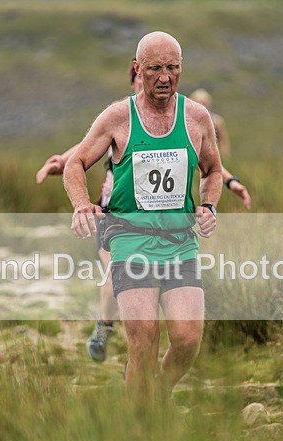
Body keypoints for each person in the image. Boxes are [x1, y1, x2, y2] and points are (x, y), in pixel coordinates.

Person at [37, 62, 250, 364]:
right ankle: (105, 327)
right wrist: (60, 162)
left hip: (165, 228)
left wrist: (230, 182)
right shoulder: (121, 118)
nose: (150, 85)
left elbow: (207, 159)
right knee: (114, 276)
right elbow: (82, 150)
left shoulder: (176, 119)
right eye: (141, 79)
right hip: (115, 220)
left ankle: (136, 352)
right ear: (135, 81)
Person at [63, 31, 222, 404]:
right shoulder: (118, 117)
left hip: (180, 241)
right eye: (154, 69)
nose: (164, 78)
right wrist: (82, 204)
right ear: (138, 69)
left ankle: (160, 394)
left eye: (172, 68)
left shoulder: (196, 118)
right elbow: (76, 163)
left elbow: (213, 170)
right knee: (144, 339)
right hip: (130, 238)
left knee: (187, 339)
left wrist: (209, 205)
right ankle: (140, 423)